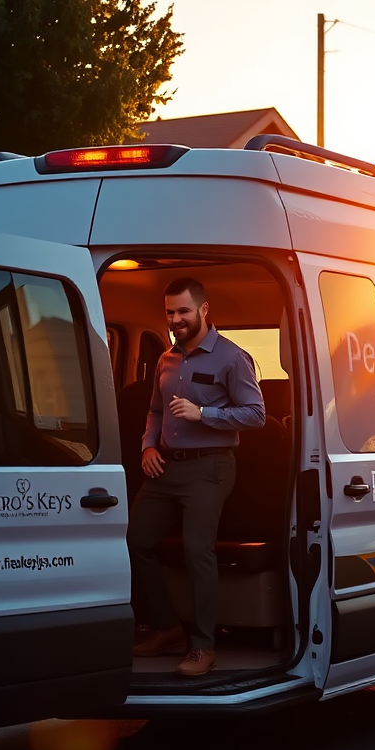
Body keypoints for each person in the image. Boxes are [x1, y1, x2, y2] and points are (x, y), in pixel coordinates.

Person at [128, 277, 266, 677]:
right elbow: (155, 410)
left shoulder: (232, 358)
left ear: (204, 310)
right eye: (170, 313)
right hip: (166, 466)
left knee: (195, 550)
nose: (176, 320)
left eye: (183, 311)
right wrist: (148, 447)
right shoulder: (166, 359)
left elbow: (256, 415)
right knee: (136, 541)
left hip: (211, 467)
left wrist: (204, 414)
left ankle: (203, 645)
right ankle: (168, 628)